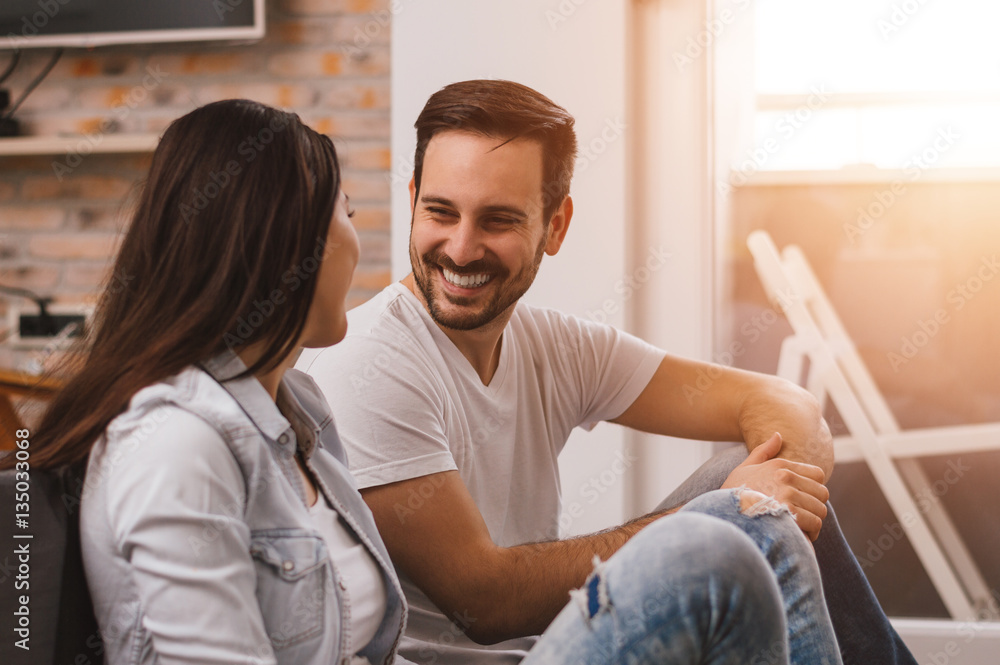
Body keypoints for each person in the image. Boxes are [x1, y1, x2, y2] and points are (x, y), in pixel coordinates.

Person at [297, 80, 918, 665]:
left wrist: (776, 489)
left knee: (765, 489)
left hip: (547, 645)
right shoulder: (369, 365)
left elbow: (783, 403)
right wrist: (735, 513)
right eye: (440, 212)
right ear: (411, 201)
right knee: (752, 516)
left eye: (498, 220)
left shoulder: (552, 344)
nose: (460, 249)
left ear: (556, 225)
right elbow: (483, 602)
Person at [3, 99, 413, 665]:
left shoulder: (302, 410)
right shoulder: (176, 445)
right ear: (287, 242)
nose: (357, 241)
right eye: (347, 213)